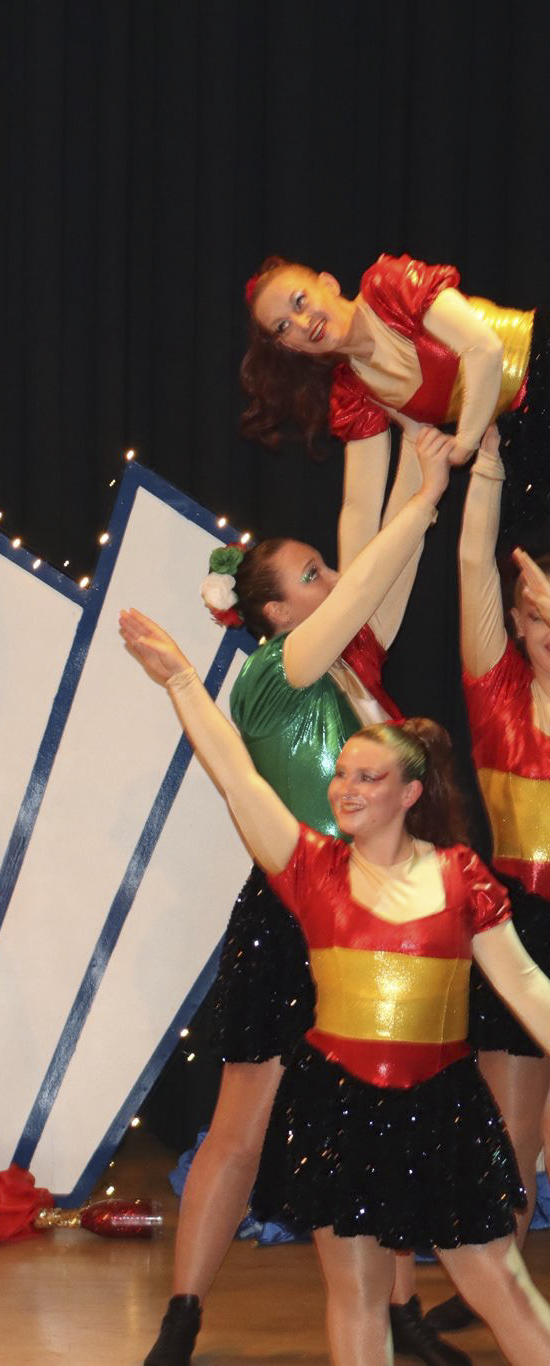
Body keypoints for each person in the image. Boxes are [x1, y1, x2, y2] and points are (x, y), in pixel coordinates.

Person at [120, 610, 550, 1366]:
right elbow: (237, 776)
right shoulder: (311, 868)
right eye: (342, 773)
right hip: (341, 1110)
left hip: (444, 1111)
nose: (345, 789)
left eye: (366, 777)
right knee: (354, 1294)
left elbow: (524, 984)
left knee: (499, 1281)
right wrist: (183, 680)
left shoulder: (462, 877)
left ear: (410, 793)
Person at [147, 427, 465, 1366]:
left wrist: (414, 463)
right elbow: (369, 578)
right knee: (240, 1126)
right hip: (292, 921)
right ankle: (181, 1318)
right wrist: (426, 492)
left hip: (375, 920)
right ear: (275, 612)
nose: (334, 578)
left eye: (326, 567)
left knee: (386, 1122)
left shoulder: (351, 666)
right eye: (313, 574)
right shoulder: (273, 674)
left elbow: (380, 571)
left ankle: (400, 1314)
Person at [445, 420, 550, 1335]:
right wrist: (485, 468)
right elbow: (472, 565)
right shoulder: (496, 689)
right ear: (517, 623)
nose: (546, 633)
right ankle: (500, 1290)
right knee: (508, 1131)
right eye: (538, 618)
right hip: (519, 923)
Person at [242, 251, 547, 536]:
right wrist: (355, 574)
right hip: (523, 430)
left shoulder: (387, 286)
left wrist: (464, 444)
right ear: (289, 345)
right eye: (283, 327)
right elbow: (359, 507)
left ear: (329, 284)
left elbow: (484, 348)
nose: (302, 322)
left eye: (300, 301)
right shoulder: (355, 391)